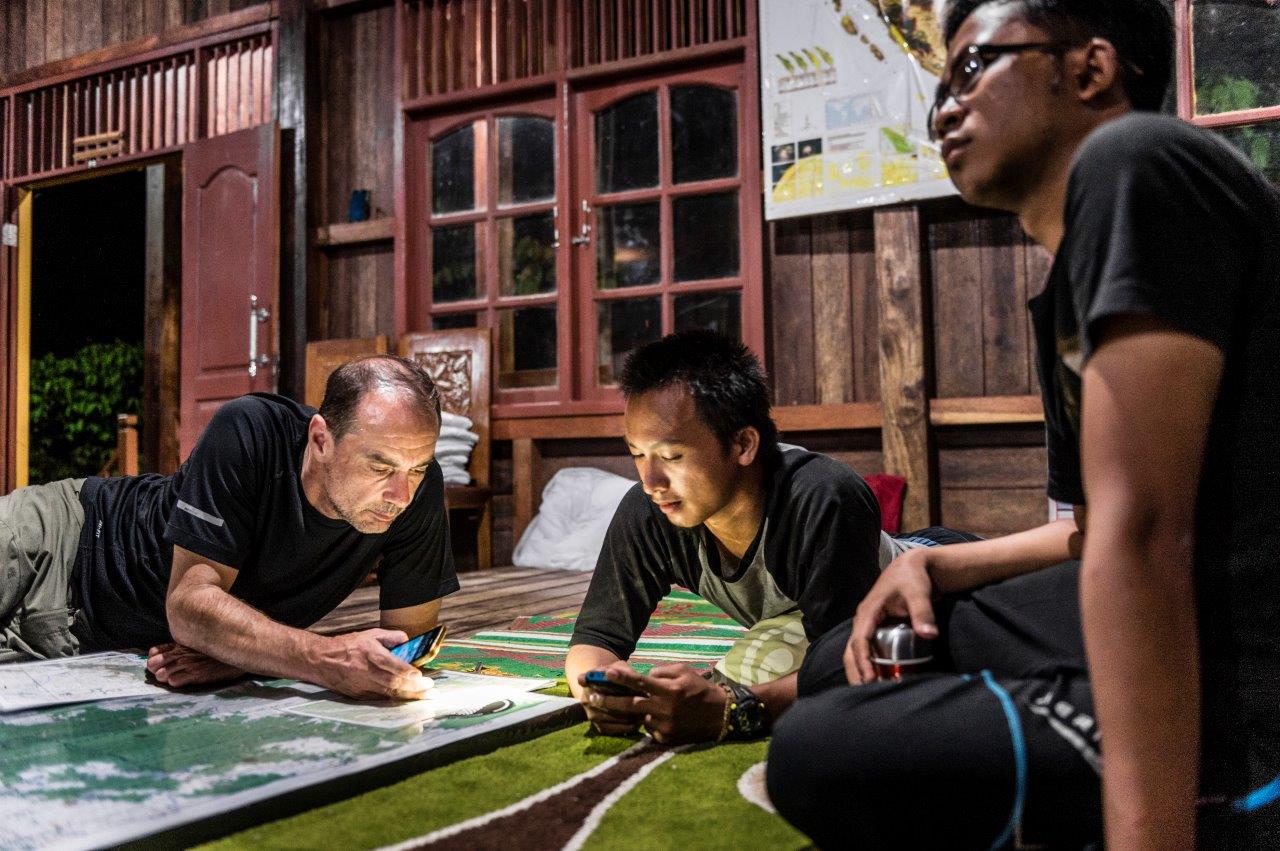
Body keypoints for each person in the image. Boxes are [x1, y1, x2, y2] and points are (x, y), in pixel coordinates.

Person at [769, 0, 1280, 847]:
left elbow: (1145, 534)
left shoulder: (1135, 162)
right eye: (940, 89)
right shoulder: (1076, 265)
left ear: (1090, 68)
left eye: (972, 69)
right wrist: (931, 563)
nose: (944, 110)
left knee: (818, 753)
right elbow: (1096, 527)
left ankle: (1224, 801)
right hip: (1197, 595)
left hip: (1247, 671)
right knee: (842, 655)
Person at [564, 330, 974, 744]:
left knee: (754, 666)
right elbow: (596, 639)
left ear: (743, 444)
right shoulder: (649, 510)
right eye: (637, 454)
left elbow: (844, 669)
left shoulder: (820, 498)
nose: (651, 480)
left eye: (672, 456)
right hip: (845, 599)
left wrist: (729, 707)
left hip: (944, 581)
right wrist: (598, 693)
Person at [0, 355, 458, 702]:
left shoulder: (416, 491)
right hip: (62, 539)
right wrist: (324, 658)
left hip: (86, 646)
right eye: (380, 466)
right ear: (321, 439)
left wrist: (241, 657)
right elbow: (189, 605)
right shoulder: (250, 430)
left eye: (417, 468)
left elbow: (405, 649)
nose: (402, 493)